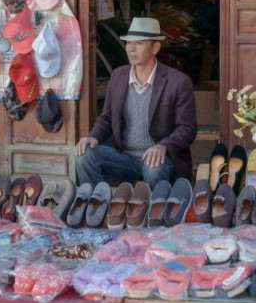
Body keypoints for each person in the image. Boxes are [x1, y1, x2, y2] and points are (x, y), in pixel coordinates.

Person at [75, 17, 197, 187]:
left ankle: (153, 204)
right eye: (128, 43)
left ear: (155, 47)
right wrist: (93, 136)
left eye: (139, 43)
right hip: (124, 156)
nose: (131, 48)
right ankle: (97, 200)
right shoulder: (118, 76)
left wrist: (163, 146)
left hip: (160, 160)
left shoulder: (178, 82)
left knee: (154, 166)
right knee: (84, 155)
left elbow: (187, 128)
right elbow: (107, 117)